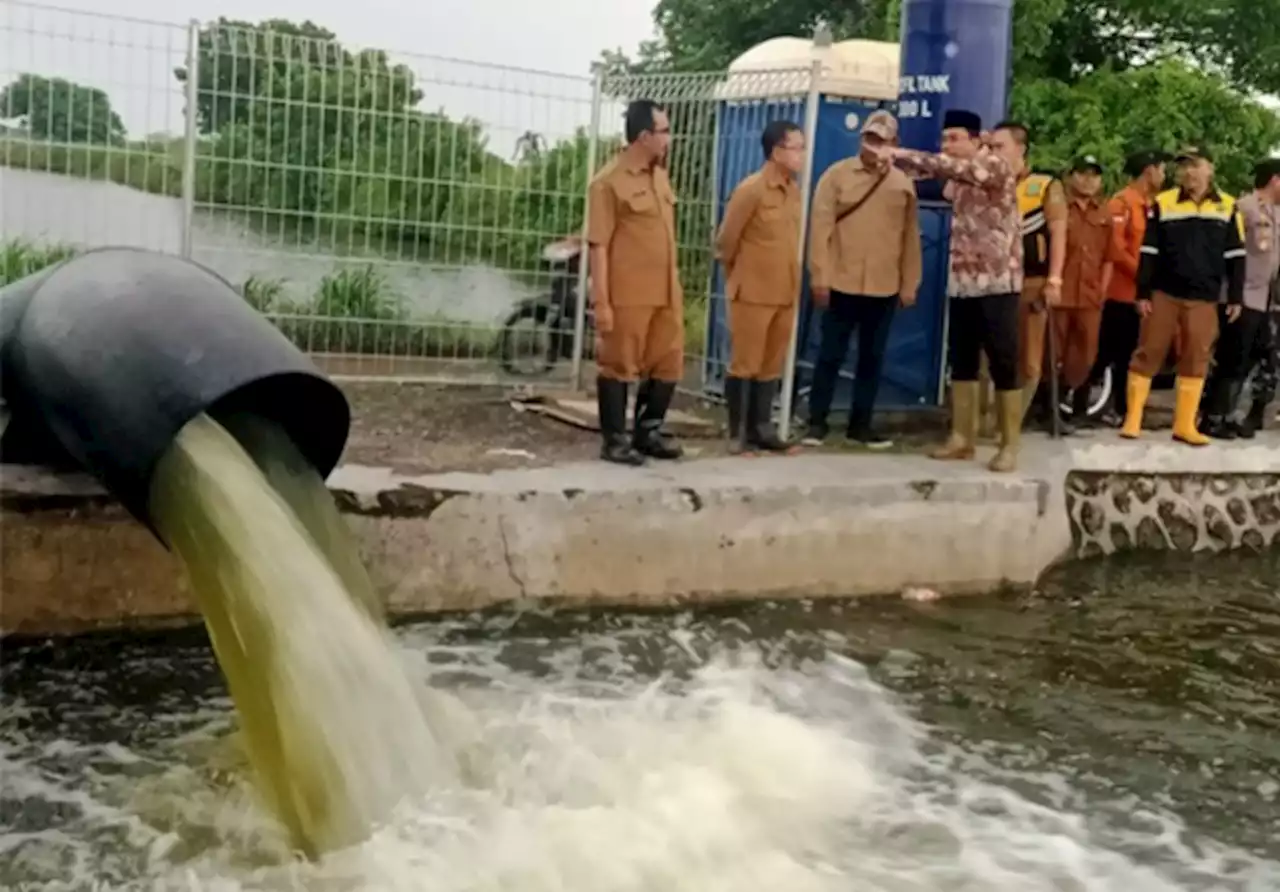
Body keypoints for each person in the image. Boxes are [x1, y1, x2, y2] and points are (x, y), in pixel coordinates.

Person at [873, 109, 1023, 472]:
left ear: (975, 140)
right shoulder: (958, 174)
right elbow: (933, 173)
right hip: (962, 282)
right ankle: (962, 438)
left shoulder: (994, 166)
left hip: (998, 282)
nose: (947, 146)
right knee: (962, 360)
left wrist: (897, 154)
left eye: (955, 139)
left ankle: (1009, 445)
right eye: (944, 139)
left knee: (1003, 362)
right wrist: (885, 159)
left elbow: (948, 169)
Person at [803, 110, 922, 448]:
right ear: (862, 140)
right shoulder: (836, 176)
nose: (877, 147)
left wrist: (909, 283)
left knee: (872, 358)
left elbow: (910, 238)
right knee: (830, 354)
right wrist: (820, 276)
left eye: (885, 141)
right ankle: (817, 422)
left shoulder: (903, 184)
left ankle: (861, 426)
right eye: (872, 139)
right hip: (841, 281)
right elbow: (820, 229)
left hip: (884, 285)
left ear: (895, 144)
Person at [1121, 146, 1246, 445]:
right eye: (1183, 167)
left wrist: (1236, 297)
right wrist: (1143, 291)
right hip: (1165, 292)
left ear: (1210, 169)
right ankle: (1133, 419)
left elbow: (1236, 255)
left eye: (1195, 165)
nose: (1188, 172)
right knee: (1149, 351)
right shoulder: (1163, 203)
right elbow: (1148, 251)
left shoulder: (1228, 206)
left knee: (1197, 356)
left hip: (1205, 296)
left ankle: (1185, 425)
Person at [587, 99, 683, 465]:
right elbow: (599, 245)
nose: (669, 139)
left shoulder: (659, 175)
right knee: (619, 364)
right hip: (629, 292)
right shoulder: (608, 182)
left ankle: (649, 432)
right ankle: (614, 441)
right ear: (644, 136)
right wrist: (602, 303)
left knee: (669, 360)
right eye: (664, 131)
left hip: (665, 290)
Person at [715, 119, 806, 453]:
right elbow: (726, 241)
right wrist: (739, 276)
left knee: (771, 362)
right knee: (746, 362)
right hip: (753, 291)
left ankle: (762, 428)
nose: (801, 154)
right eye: (796, 147)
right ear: (776, 151)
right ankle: (737, 433)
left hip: (785, 290)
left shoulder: (794, 192)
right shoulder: (752, 189)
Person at [987, 122, 1067, 429]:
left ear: (1020, 149)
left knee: (1029, 358)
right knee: (991, 353)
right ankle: (986, 421)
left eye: (1000, 147)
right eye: (991, 147)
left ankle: (1010, 424)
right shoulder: (987, 181)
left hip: (1031, 281)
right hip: (993, 282)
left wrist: (1055, 279)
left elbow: (1059, 234)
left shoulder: (1045, 185)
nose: (994, 153)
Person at [1202, 157, 1280, 438]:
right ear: (1275, 180)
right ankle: (1213, 417)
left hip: (1264, 298)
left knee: (1261, 358)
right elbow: (1228, 254)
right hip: (1240, 295)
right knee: (1233, 357)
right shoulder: (1243, 208)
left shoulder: (1276, 212)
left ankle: (1235, 414)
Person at [1094, 150, 1171, 426]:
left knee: (1131, 354)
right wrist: (1144, 276)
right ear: (1148, 171)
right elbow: (1116, 248)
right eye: (1161, 169)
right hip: (1120, 293)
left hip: (1142, 296)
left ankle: (1124, 408)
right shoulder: (1121, 203)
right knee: (1110, 353)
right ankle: (1082, 403)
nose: (1164, 175)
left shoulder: (1153, 205)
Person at [1049, 155, 1115, 424]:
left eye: (1094, 175)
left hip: (1090, 296)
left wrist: (1103, 289)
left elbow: (1110, 256)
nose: (1088, 180)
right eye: (1083, 174)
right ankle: (1046, 409)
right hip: (1061, 293)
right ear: (1070, 176)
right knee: (1051, 354)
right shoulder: (1058, 207)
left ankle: (1071, 403)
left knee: (1085, 354)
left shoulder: (1105, 212)